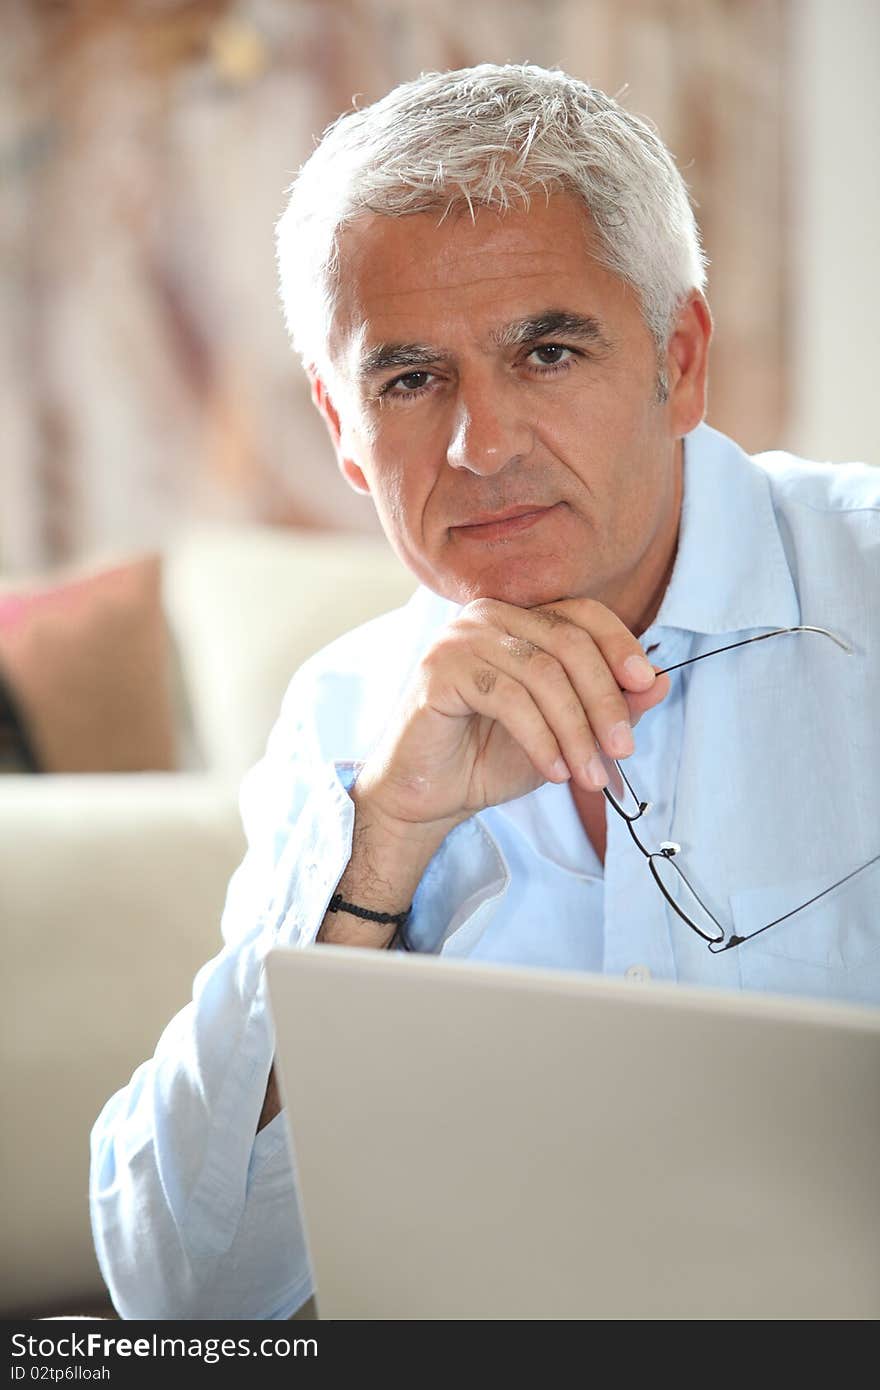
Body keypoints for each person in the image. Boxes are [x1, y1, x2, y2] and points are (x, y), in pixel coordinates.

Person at [90, 63, 880, 1321]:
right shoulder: (345, 716)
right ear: (344, 432)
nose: (481, 445)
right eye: (408, 380)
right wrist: (378, 854)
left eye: (547, 350)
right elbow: (183, 1296)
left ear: (679, 361)